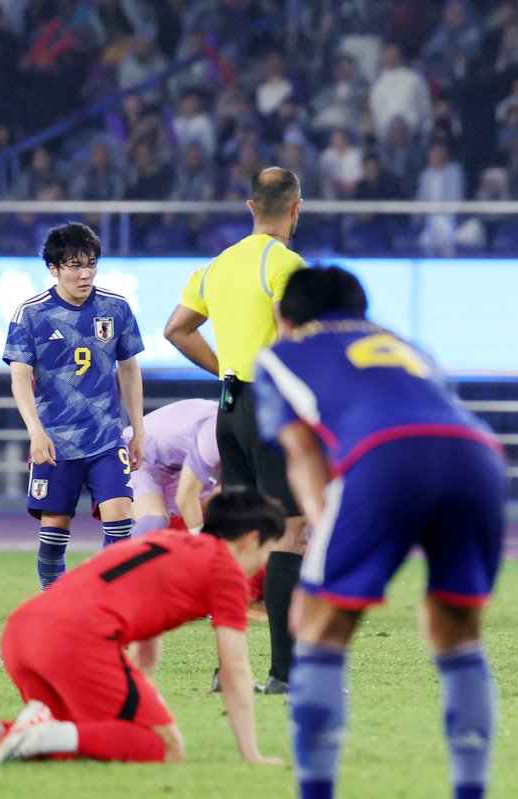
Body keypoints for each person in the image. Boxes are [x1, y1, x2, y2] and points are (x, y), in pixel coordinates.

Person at [253, 266, 505, 799]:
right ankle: (471, 788)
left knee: (318, 628)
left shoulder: (282, 354)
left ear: (286, 316)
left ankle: (316, 790)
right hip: (478, 457)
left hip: (384, 456)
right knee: (457, 632)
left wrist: (324, 547)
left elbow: (304, 457)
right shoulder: (408, 346)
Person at [0, 489, 285, 765]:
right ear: (251, 538)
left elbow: (147, 622)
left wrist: (136, 687)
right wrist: (251, 753)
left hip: (22, 631)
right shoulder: (225, 570)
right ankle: (40, 734)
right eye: (268, 550)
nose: (264, 563)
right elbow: (235, 670)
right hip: (74, 640)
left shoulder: (166, 539)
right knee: (164, 746)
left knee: (91, 735)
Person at [164, 166, 307, 694]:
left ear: (251, 208)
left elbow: (176, 329)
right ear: (296, 208)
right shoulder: (285, 263)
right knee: (291, 534)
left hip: (229, 405)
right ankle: (285, 676)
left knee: (242, 541)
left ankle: (229, 672)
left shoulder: (217, 265)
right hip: (271, 407)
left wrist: (228, 365)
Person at [3, 222, 145, 590]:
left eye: (91, 264)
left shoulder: (116, 308)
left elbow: (129, 370)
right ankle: (53, 609)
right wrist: (35, 432)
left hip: (105, 437)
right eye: (74, 265)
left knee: (121, 524)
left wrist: (138, 431)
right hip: (55, 442)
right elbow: (20, 378)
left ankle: (108, 605)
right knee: (54, 535)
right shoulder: (31, 313)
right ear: (53, 268)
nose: (85, 274)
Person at [124, 398, 220, 536]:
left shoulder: (238, 428)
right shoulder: (214, 430)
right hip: (136, 454)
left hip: (174, 467)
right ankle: (119, 557)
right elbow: (185, 497)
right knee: (154, 521)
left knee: (227, 503)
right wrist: (201, 545)